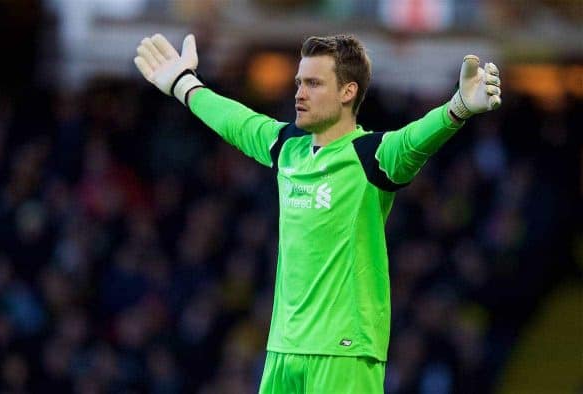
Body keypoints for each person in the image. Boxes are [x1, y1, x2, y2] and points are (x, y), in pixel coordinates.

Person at [134, 33, 501, 393]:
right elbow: (236, 121)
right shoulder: (286, 148)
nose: (299, 93)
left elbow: (414, 140)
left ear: (347, 91)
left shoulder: (371, 156)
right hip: (284, 347)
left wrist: (458, 109)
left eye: (313, 83)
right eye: (298, 83)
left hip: (344, 350)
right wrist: (184, 84)